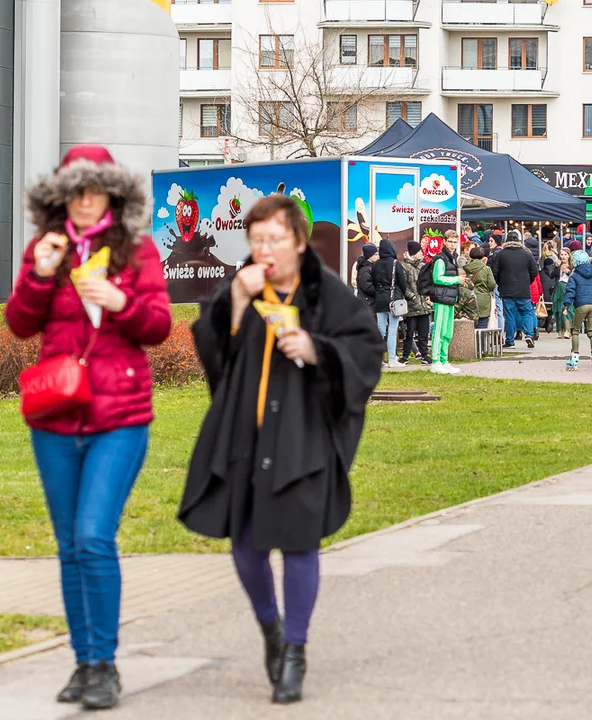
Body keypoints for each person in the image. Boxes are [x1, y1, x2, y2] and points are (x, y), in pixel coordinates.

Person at [181, 195, 382, 706]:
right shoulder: (243, 287)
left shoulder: (330, 296)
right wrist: (237, 304)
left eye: (273, 239)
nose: (264, 249)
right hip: (245, 438)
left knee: (298, 544)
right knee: (246, 547)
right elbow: (212, 352)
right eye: (256, 239)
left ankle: (295, 650)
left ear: (297, 240)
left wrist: (316, 349)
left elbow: (365, 352)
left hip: (302, 438)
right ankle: (270, 628)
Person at [5, 145, 172, 710]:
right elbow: (20, 324)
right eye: (74, 192)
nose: (84, 201)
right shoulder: (44, 250)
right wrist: (40, 274)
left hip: (118, 418)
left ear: (111, 195)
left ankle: (104, 663)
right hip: (54, 416)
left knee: (94, 536)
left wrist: (120, 301)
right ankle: (83, 663)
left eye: (94, 190)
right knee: (68, 546)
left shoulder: (137, 252)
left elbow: (157, 327)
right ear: (60, 199)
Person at [490, 230, 538, 348]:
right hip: (523, 290)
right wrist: (528, 282)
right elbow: (534, 271)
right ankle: (529, 335)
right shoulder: (527, 254)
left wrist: (500, 283)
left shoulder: (500, 254)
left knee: (509, 315)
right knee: (527, 312)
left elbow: (494, 272)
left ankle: (510, 341)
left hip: (506, 289)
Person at [371, 239, 413, 368]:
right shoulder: (396, 263)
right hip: (393, 299)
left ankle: (378, 359)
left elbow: (373, 280)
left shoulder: (375, 264)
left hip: (380, 299)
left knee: (380, 330)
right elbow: (403, 282)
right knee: (393, 330)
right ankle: (392, 359)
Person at [430, 230, 466, 374]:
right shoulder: (440, 259)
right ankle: (435, 361)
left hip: (450, 297)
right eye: (450, 242)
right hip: (441, 298)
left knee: (447, 332)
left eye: (454, 242)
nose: (452, 245)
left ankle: (443, 360)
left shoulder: (452, 258)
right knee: (439, 330)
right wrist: (457, 279)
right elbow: (437, 278)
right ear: (444, 242)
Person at [562, 250, 592, 371]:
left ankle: (574, 357)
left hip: (581, 305)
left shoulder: (574, 276)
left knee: (575, 331)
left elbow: (570, 291)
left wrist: (566, 305)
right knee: (591, 331)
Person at [400, 241, 433, 365]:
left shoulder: (424, 266)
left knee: (424, 332)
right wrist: (411, 296)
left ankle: (424, 355)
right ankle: (405, 356)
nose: (421, 253)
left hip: (424, 304)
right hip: (412, 305)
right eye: (419, 251)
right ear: (413, 252)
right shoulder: (404, 267)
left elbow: (429, 283)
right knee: (410, 333)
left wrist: (429, 296)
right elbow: (403, 285)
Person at [464, 245, 496, 329]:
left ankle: (470, 342)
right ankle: (480, 342)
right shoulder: (486, 269)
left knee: (469, 325)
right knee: (482, 324)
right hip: (483, 299)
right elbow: (492, 284)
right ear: (483, 256)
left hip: (468, 299)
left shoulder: (465, 267)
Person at [552, 247, 571, 338]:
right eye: (562, 254)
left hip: (567, 288)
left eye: (565, 254)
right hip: (558, 288)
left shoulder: (571, 265)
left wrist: (567, 271)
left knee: (567, 310)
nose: (563, 257)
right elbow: (552, 275)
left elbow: (573, 276)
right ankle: (561, 330)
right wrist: (556, 267)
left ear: (568, 255)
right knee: (558, 310)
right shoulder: (558, 265)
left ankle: (568, 330)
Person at [355, 244, 377, 312]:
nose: (378, 256)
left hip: (370, 302)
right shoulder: (365, 270)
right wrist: (379, 291)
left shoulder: (370, 267)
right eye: (375, 254)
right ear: (370, 256)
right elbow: (367, 286)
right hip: (368, 303)